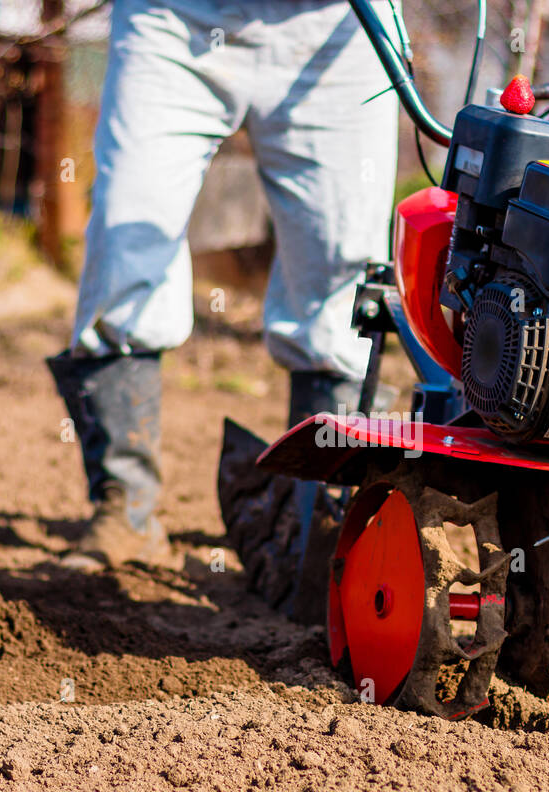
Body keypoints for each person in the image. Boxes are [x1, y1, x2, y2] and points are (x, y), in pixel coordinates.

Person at [48, 0, 398, 567]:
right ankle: (124, 509)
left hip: (339, 27)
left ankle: (321, 535)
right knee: (125, 230)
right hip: (175, 16)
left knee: (344, 273)